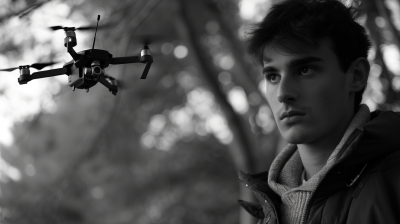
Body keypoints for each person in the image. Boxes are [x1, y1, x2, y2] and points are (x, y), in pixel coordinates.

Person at [237, 0, 400, 223]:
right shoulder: (270, 210)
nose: (283, 93)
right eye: (273, 76)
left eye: (304, 70)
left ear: (356, 75)